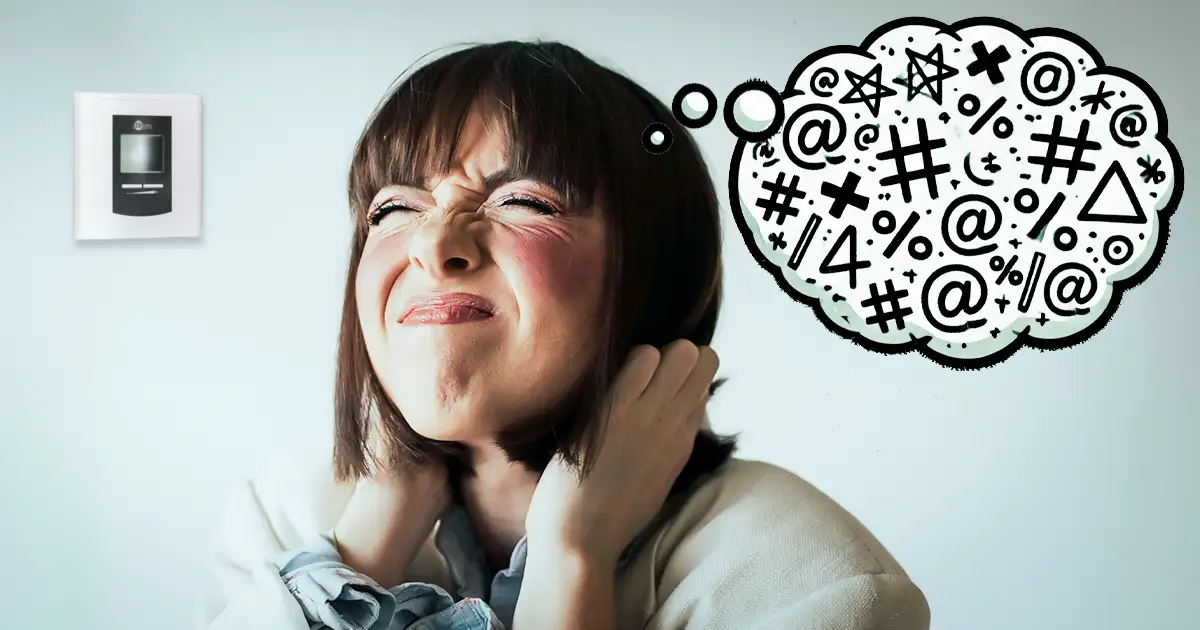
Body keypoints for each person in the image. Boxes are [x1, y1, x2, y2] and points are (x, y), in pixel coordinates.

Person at [196, 41, 930, 630]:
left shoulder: (814, 584)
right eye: (394, 208)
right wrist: (369, 544)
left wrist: (572, 558)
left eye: (523, 200)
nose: (433, 245)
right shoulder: (280, 514)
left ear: (651, 266)